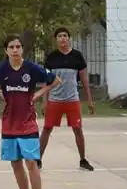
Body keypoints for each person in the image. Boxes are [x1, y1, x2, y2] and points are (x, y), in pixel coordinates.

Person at [0, 35, 58, 189]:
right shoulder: (1, 69)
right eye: (11, 47)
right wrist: (1, 94)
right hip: (9, 122)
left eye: (18, 46)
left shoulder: (31, 68)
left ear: (22, 49)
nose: (15, 50)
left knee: (31, 162)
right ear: (6, 51)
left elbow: (55, 80)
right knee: (15, 162)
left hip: (27, 121)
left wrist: (39, 93)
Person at [40, 27, 95, 171]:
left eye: (65, 36)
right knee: (47, 129)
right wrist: (44, 101)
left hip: (72, 99)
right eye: (59, 36)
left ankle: (82, 160)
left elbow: (84, 80)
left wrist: (89, 100)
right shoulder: (51, 58)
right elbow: (46, 82)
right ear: (56, 39)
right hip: (54, 99)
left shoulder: (77, 56)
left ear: (69, 38)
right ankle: (37, 160)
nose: (63, 38)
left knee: (77, 129)